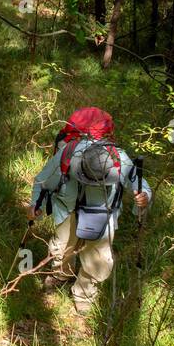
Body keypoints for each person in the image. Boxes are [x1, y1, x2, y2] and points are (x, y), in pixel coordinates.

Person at [27, 126, 151, 314]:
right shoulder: (68, 154)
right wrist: (36, 205)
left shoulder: (120, 159)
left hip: (104, 211)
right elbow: (43, 181)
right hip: (67, 206)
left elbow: (141, 185)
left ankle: (84, 292)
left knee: (100, 258)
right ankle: (61, 275)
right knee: (62, 246)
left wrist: (144, 197)